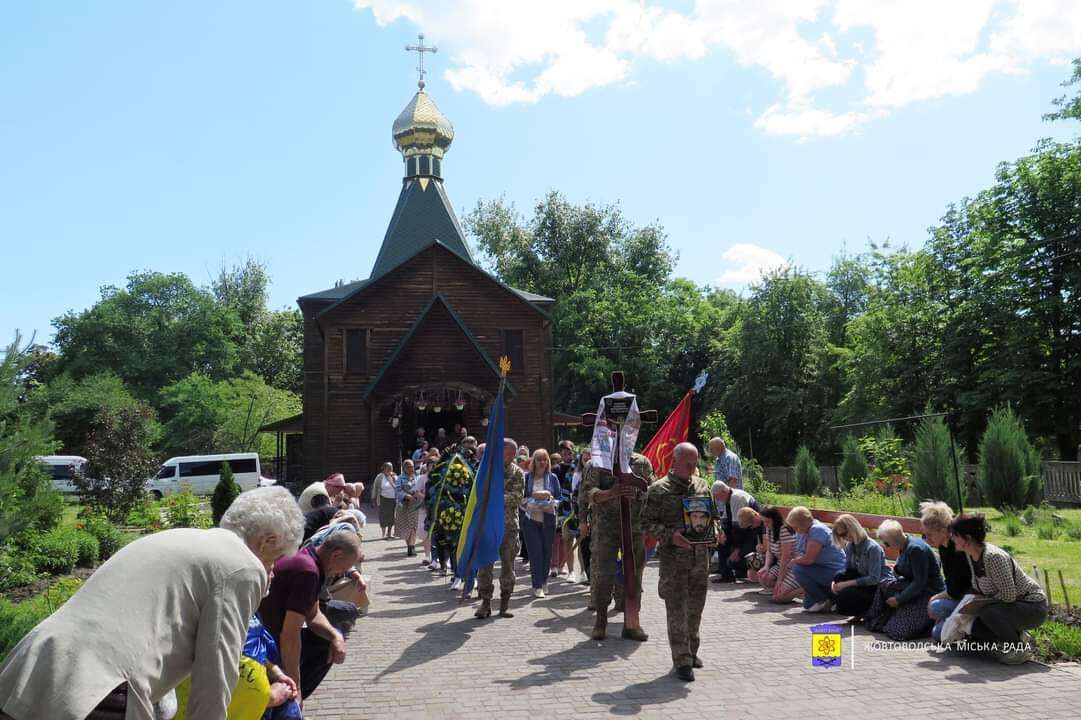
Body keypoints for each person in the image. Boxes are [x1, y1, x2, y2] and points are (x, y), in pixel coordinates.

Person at [0, 487, 303, 720]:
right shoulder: (242, 566)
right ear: (267, 540)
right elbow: (215, 677)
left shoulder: (181, 539)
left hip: (31, 666)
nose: (271, 570)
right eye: (275, 559)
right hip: (99, 691)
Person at [259, 528, 362, 701]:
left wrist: (335, 636)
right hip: (267, 641)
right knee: (321, 646)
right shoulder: (308, 572)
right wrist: (297, 688)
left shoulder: (307, 556)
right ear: (336, 555)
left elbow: (313, 614)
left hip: (267, 633)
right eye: (343, 568)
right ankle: (290, 702)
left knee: (329, 638)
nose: (341, 574)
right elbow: (290, 636)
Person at [641, 442, 714, 681]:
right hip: (674, 562)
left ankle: (692, 651)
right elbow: (645, 523)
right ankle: (681, 658)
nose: (693, 468)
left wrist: (717, 531)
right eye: (688, 464)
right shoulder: (658, 490)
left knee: (695, 609)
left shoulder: (702, 486)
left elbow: (713, 517)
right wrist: (670, 536)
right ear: (675, 461)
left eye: (695, 463)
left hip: (700, 560)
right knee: (676, 610)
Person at [950, 513, 1047, 663]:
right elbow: (979, 588)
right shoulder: (971, 555)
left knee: (987, 612)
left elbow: (1009, 595)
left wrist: (980, 604)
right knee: (974, 626)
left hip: (1032, 607)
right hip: (1009, 607)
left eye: (955, 535)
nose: (952, 538)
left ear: (968, 538)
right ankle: (1018, 636)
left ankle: (1019, 650)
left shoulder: (993, 557)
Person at [580, 448, 655, 642]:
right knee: (603, 574)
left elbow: (652, 491)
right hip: (605, 527)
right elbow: (588, 492)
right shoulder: (596, 462)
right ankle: (601, 621)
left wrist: (637, 493)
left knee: (634, 574)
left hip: (634, 527)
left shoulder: (641, 462)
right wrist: (610, 494)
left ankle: (632, 622)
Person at [864, 519, 946, 640]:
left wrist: (899, 599)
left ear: (893, 540)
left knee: (898, 632)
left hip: (927, 592)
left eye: (887, 543)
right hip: (908, 585)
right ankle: (886, 617)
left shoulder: (916, 549)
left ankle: (927, 623)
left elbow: (919, 583)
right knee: (884, 585)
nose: (887, 546)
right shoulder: (903, 545)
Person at [475, 438, 526, 619]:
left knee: (507, 566)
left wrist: (497, 497)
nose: (512, 456)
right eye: (509, 453)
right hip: (488, 526)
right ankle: (485, 603)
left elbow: (517, 497)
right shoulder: (486, 471)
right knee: (485, 566)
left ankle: (504, 603)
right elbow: (479, 494)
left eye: (514, 453)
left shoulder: (517, 472)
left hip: (509, 526)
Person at [919, 501, 971, 642]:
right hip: (958, 598)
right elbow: (949, 581)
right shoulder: (943, 546)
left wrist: (935, 597)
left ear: (943, 531)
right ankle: (958, 628)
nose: (927, 539)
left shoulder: (958, 548)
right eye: (924, 536)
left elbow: (956, 589)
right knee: (937, 633)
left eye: (929, 535)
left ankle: (965, 629)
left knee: (936, 607)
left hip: (968, 599)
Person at [829, 514, 892, 618]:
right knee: (838, 576)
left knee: (846, 592)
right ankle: (857, 612)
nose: (843, 538)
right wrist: (835, 583)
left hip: (877, 587)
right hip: (862, 579)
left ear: (852, 529)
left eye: (844, 534)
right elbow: (848, 570)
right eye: (840, 536)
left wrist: (845, 584)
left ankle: (864, 612)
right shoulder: (850, 546)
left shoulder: (873, 548)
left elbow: (874, 579)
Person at [785, 506, 846, 612]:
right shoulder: (802, 531)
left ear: (803, 523)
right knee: (808, 605)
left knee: (797, 568)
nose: (794, 530)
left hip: (835, 572)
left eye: (795, 527)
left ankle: (823, 599)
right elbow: (800, 555)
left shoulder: (817, 530)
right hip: (819, 570)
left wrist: (794, 561)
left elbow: (809, 559)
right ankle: (833, 599)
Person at [519, 449, 562, 597]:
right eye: (539, 459)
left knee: (546, 553)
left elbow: (559, 499)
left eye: (545, 459)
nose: (542, 462)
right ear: (534, 462)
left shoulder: (553, 478)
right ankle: (536, 586)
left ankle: (543, 581)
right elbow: (520, 499)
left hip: (548, 520)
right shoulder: (526, 478)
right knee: (535, 554)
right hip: (531, 520)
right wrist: (533, 497)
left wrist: (549, 498)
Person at [742, 505, 800, 603]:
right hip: (780, 563)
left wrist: (780, 580)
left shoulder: (784, 529)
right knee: (763, 577)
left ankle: (798, 590)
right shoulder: (769, 529)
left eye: (767, 521)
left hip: (792, 564)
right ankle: (781, 589)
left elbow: (786, 557)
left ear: (774, 519)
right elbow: (769, 550)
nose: (765, 524)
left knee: (778, 598)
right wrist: (766, 566)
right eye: (763, 522)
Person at [711, 481, 759, 583]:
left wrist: (737, 549)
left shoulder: (736, 498)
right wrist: (722, 534)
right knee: (721, 543)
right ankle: (726, 575)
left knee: (734, 559)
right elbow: (725, 522)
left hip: (753, 533)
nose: (717, 499)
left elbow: (739, 528)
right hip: (743, 532)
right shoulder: (727, 499)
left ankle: (740, 571)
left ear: (724, 491)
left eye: (717, 496)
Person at [394, 459, 422, 557]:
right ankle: (410, 546)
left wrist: (418, 494)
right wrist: (406, 496)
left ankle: (411, 547)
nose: (411, 469)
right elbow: (397, 491)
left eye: (412, 467)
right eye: (408, 467)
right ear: (404, 468)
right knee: (406, 527)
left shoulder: (417, 477)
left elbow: (421, 488)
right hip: (404, 506)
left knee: (413, 526)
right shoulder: (400, 478)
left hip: (415, 506)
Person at [374, 462, 398, 539]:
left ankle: (389, 533)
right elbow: (375, 488)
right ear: (384, 468)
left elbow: (397, 487)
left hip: (393, 499)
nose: (390, 469)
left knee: (392, 516)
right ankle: (383, 534)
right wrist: (373, 498)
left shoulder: (394, 476)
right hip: (383, 499)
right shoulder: (379, 477)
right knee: (383, 516)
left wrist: (393, 480)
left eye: (391, 467)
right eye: (388, 467)